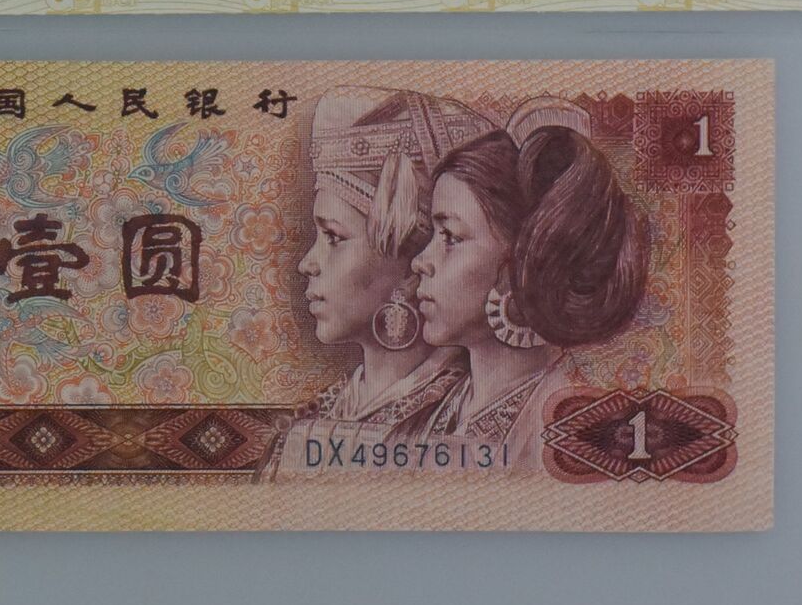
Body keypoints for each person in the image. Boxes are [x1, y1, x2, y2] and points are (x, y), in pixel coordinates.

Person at [403, 96, 649, 471]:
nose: (420, 261)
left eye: (450, 237)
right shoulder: (431, 414)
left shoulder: (571, 430)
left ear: (522, 261)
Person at [259, 86, 491, 477]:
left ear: (412, 264)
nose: (307, 263)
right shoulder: (317, 417)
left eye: (334, 237)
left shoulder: (467, 421)